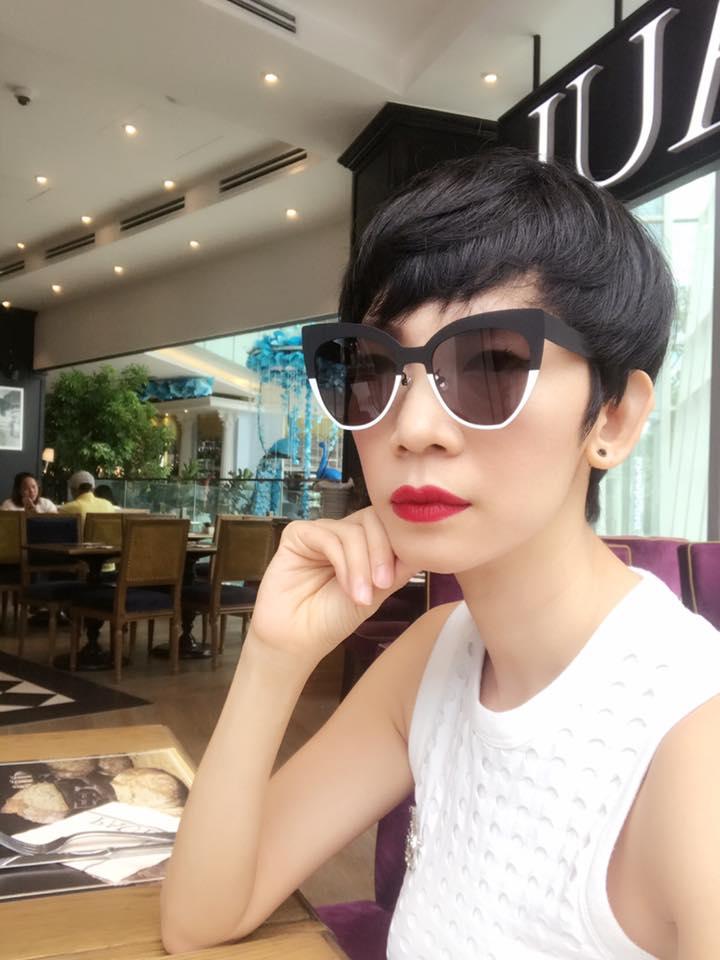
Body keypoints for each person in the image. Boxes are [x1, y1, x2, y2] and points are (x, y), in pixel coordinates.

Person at [161, 149, 720, 959]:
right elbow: (201, 917)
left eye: (491, 365)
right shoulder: (435, 656)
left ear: (614, 420)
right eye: (376, 370)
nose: (414, 428)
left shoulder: (693, 746)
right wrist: (274, 656)